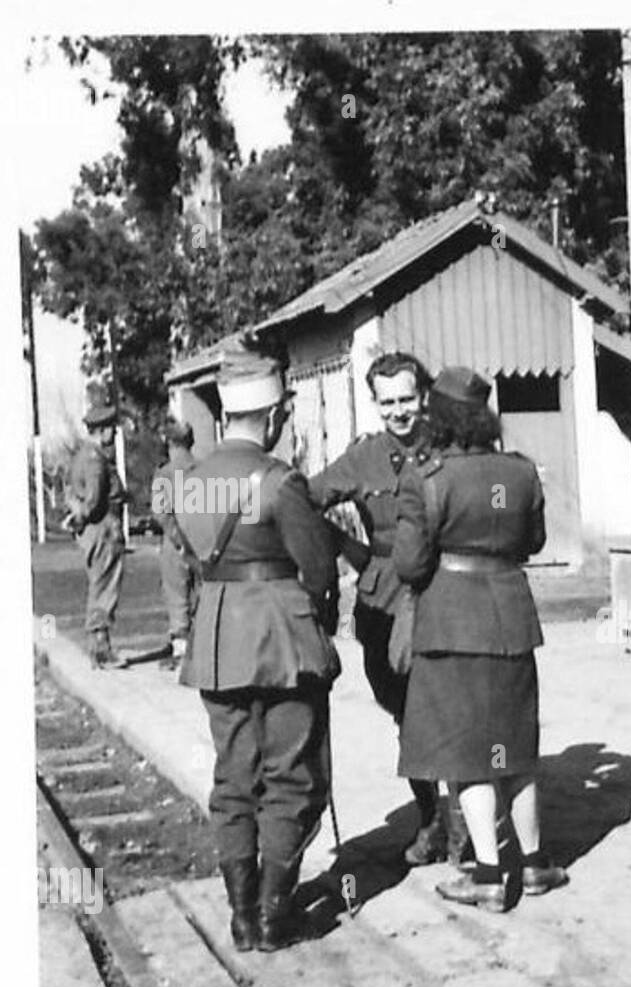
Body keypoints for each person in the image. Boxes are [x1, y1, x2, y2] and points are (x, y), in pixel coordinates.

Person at [176, 350, 340, 952]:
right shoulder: (279, 480)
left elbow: (195, 555)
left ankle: (242, 917)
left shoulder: (190, 483)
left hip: (219, 637)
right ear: (271, 417)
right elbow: (319, 568)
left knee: (234, 776)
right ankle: (276, 916)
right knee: (290, 775)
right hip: (282, 637)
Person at [392, 366, 567, 913]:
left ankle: (490, 873)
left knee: (466, 753)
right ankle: (535, 865)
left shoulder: (427, 476)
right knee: (515, 746)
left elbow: (409, 562)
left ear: (435, 416)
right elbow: (534, 541)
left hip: (451, 623)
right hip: (511, 615)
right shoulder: (519, 473)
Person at [307, 352, 463, 866]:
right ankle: (431, 817)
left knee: (447, 712)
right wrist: (339, 546)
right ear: (374, 404)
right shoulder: (364, 457)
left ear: (424, 397)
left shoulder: (449, 445)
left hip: (441, 592)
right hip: (381, 600)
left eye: (407, 399)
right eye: (388, 402)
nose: (400, 412)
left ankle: (465, 831)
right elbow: (304, 501)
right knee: (403, 713)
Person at [64, 405, 128, 668]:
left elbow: (71, 492)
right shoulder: (95, 459)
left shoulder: (81, 455)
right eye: (111, 428)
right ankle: (102, 648)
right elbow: (93, 499)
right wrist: (80, 517)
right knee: (105, 586)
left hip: (96, 529)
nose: (114, 433)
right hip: (104, 528)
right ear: (101, 430)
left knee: (98, 584)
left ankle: (98, 648)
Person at [151, 419, 199, 671]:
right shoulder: (206, 468)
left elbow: (161, 513)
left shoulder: (165, 473)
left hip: (176, 541)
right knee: (202, 591)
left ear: (168, 442)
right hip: (204, 540)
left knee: (176, 593)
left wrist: (179, 540)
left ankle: (182, 651)